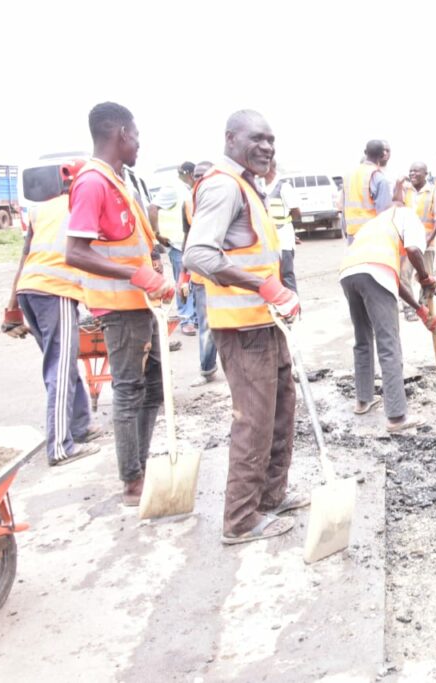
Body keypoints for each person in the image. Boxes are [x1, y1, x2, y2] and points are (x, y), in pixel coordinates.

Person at [183, 110, 305, 544]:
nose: (267, 147)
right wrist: (264, 287)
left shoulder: (249, 187)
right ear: (231, 138)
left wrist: (278, 295)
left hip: (264, 322)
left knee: (281, 410)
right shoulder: (222, 185)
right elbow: (197, 255)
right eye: (257, 138)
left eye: (271, 139)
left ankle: (271, 497)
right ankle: (239, 519)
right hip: (241, 327)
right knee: (254, 420)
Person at [65, 102, 173, 506]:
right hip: (120, 307)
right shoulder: (93, 182)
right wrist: (134, 275)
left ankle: (139, 464)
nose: (139, 146)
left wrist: (155, 269)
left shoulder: (118, 180)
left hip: (141, 302)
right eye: (137, 137)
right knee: (129, 390)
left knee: (154, 388)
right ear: (122, 134)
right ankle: (132, 480)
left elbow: (130, 243)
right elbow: (74, 251)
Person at [3, 158, 103, 466]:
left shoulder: (39, 209)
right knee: (59, 369)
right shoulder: (81, 206)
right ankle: (60, 446)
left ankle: (81, 426)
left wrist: (12, 309)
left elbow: (24, 257)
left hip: (30, 291)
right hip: (54, 290)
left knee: (63, 363)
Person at [340, 184, 436, 432]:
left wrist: (420, 310)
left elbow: (392, 280)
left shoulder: (377, 222)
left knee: (363, 339)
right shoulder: (409, 216)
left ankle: (363, 400)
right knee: (389, 344)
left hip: (349, 272)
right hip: (374, 271)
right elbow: (415, 249)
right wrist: (425, 277)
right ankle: (397, 417)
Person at [178, 161, 219, 386]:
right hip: (201, 278)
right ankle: (206, 369)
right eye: (197, 176)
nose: (201, 180)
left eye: (206, 175)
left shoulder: (225, 197)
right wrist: (183, 276)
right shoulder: (189, 202)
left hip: (225, 275)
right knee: (206, 326)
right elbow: (188, 239)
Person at [149, 161, 197, 334]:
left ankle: (194, 317)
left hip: (190, 243)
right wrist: (156, 233)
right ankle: (186, 319)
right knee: (182, 282)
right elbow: (153, 208)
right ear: (190, 174)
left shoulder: (187, 188)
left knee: (193, 282)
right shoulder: (173, 188)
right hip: (177, 243)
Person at [400, 161, 436, 321]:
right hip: (407, 244)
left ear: (425, 174)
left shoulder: (434, 192)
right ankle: (409, 309)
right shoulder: (405, 191)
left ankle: (423, 306)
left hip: (427, 244)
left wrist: (429, 239)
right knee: (403, 275)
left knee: (427, 277)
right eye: (410, 171)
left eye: (416, 171)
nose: (412, 174)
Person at [344, 140, 392, 244]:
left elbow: (344, 207)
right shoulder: (379, 178)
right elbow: (384, 214)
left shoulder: (349, 175)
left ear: (365, 152)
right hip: (371, 234)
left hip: (352, 233)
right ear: (383, 155)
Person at [263, 158, 298, 293]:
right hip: (269, 239)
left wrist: (288, 229)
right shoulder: (261, 187)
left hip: (283, 238)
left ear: (269, 167)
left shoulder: (284, 186)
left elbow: (296, 211)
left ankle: (294, 309)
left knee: (286, 275)